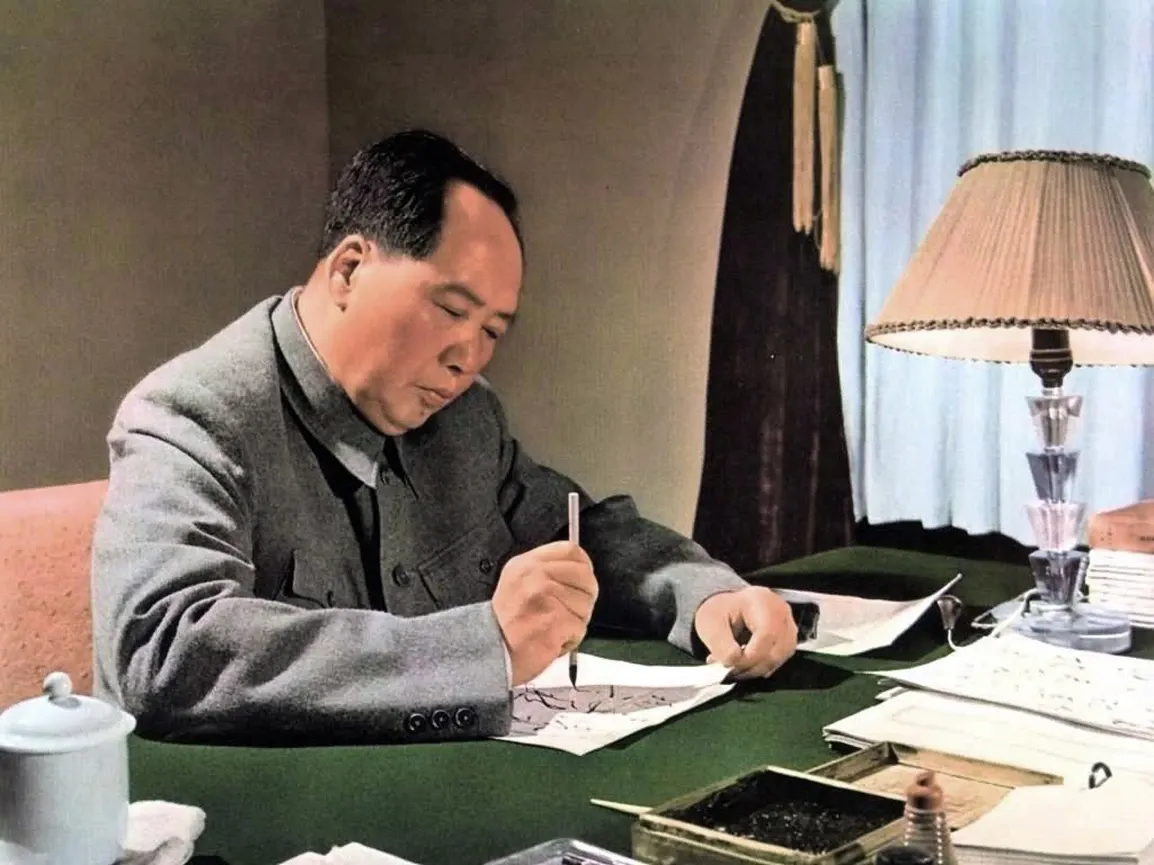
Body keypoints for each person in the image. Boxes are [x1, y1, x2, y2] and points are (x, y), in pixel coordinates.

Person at [91, 129, 798, 745]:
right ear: (349, 270)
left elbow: (571, 530)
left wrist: (704, 594)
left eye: (492, 331)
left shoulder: (465, 417)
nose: (468, 358)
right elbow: (166, 649)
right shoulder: (192, 414)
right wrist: (483, 646)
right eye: (452, 310)